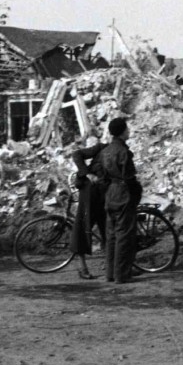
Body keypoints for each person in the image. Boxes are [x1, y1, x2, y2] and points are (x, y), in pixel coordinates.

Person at [100, 118, 143, 284]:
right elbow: (130, 176)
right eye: (127, 129)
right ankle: (122, 274)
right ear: (122, 131)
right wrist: (136, 192)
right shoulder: (123, 152)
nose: (129, 131)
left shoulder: (106, 151)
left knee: (111, 235)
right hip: (123, 193)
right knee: (124, 235)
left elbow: (102, 176)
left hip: (110, 193)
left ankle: (110, 273)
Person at [70, 136, 108, 279]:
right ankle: (82, 267)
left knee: (108, 228)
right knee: (83, 228)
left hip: (105, 195)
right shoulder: (101, 148)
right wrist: (88, 174)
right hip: (90, 193)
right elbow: (76, 154)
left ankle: (111, 263)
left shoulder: (120, 151)